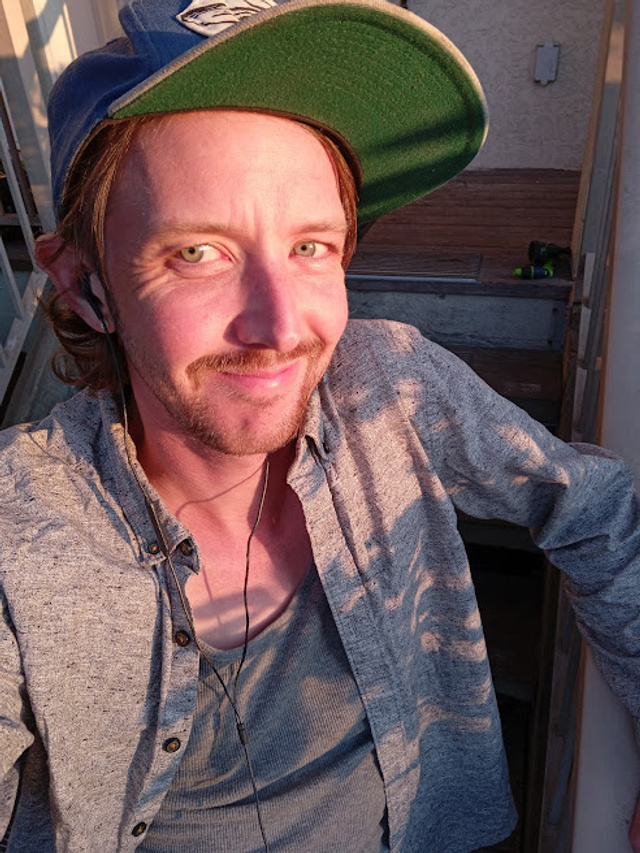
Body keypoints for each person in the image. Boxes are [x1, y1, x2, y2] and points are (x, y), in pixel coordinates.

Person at [1, 1, 639, 851]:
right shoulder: (22, 531)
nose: (280, 327)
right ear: (86, 287)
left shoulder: (389, 386)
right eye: (198, 252)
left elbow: (594, 505)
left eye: (311, 246)